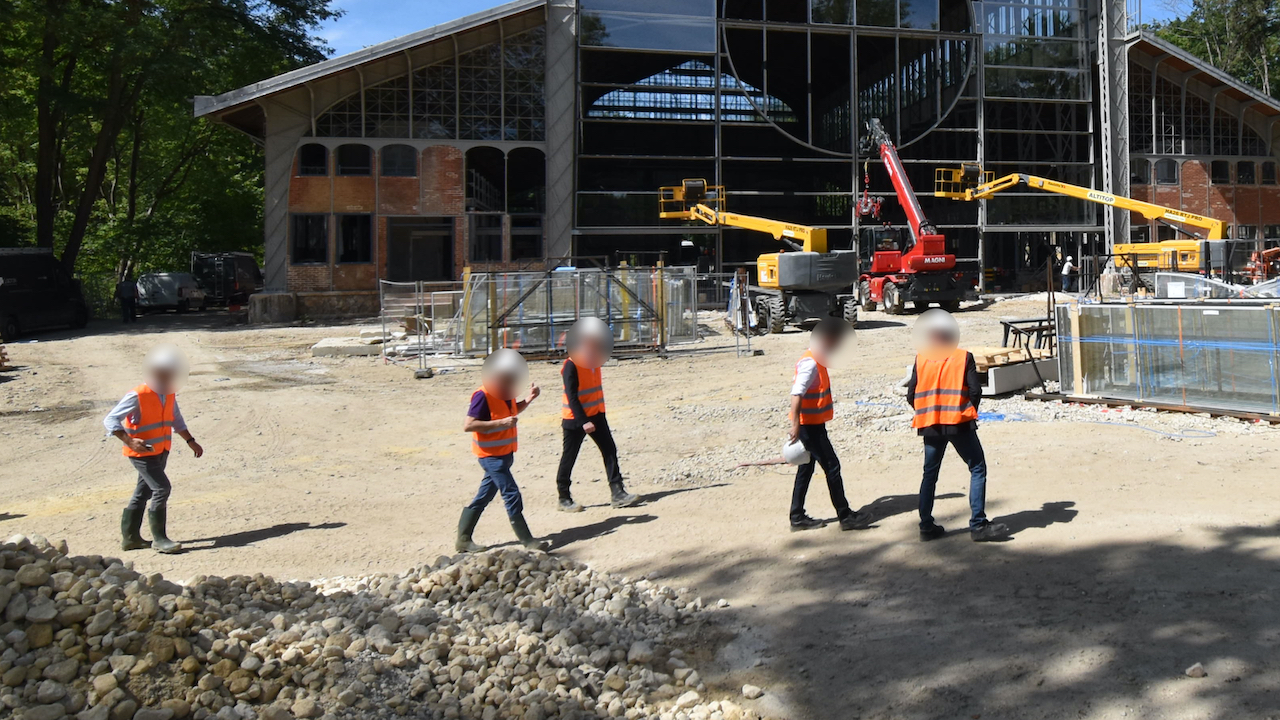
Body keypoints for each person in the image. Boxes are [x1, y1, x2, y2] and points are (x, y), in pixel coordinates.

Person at [905, 310, 1009, 542]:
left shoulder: (921, 358)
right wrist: (966, 411)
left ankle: (926, 525)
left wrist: (927, 410)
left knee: (929, 473)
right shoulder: (963, 357)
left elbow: (911, 394)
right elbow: (975, 391)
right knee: (977, 467)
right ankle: (978, 525)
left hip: (930, 424)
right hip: (959, 423)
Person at [103, 345, 203, 553]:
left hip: (160, 450)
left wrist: (190, 440)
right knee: (161, 488)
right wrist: (129, 441)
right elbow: (110, 420)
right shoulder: (138, 395)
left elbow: (176, 420)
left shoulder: (169, 393)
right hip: (142, 453)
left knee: (143, 492)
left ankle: (130, 538)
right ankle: (160, 539)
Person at [457, 349, 550, 553]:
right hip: (490, 457)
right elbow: (469, 425)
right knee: (511, 493)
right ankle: (527, 541)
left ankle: (463, 539)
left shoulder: (506, 392)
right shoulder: (482, 395)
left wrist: (529, 399)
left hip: (504, 455)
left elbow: (512, 412)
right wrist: (501, 423)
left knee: (484, 496)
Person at [787, 318, 870, 532]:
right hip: (809, 427)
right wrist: (795, 424)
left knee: (806, 468)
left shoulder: (815, 359)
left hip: (812, 424)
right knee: (832, 466)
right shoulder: (811, 362)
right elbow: (796, 393)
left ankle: (797, 516)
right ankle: (845, 515)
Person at [555, 317, 640, 512]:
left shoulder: (594, 360)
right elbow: (572, 395)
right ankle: (563, 497)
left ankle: (618, 492)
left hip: (597, 415)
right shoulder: (571, 364)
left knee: (609, 450)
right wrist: (583, 421)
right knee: (569, 457)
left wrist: (596, 415)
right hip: (576, 419)